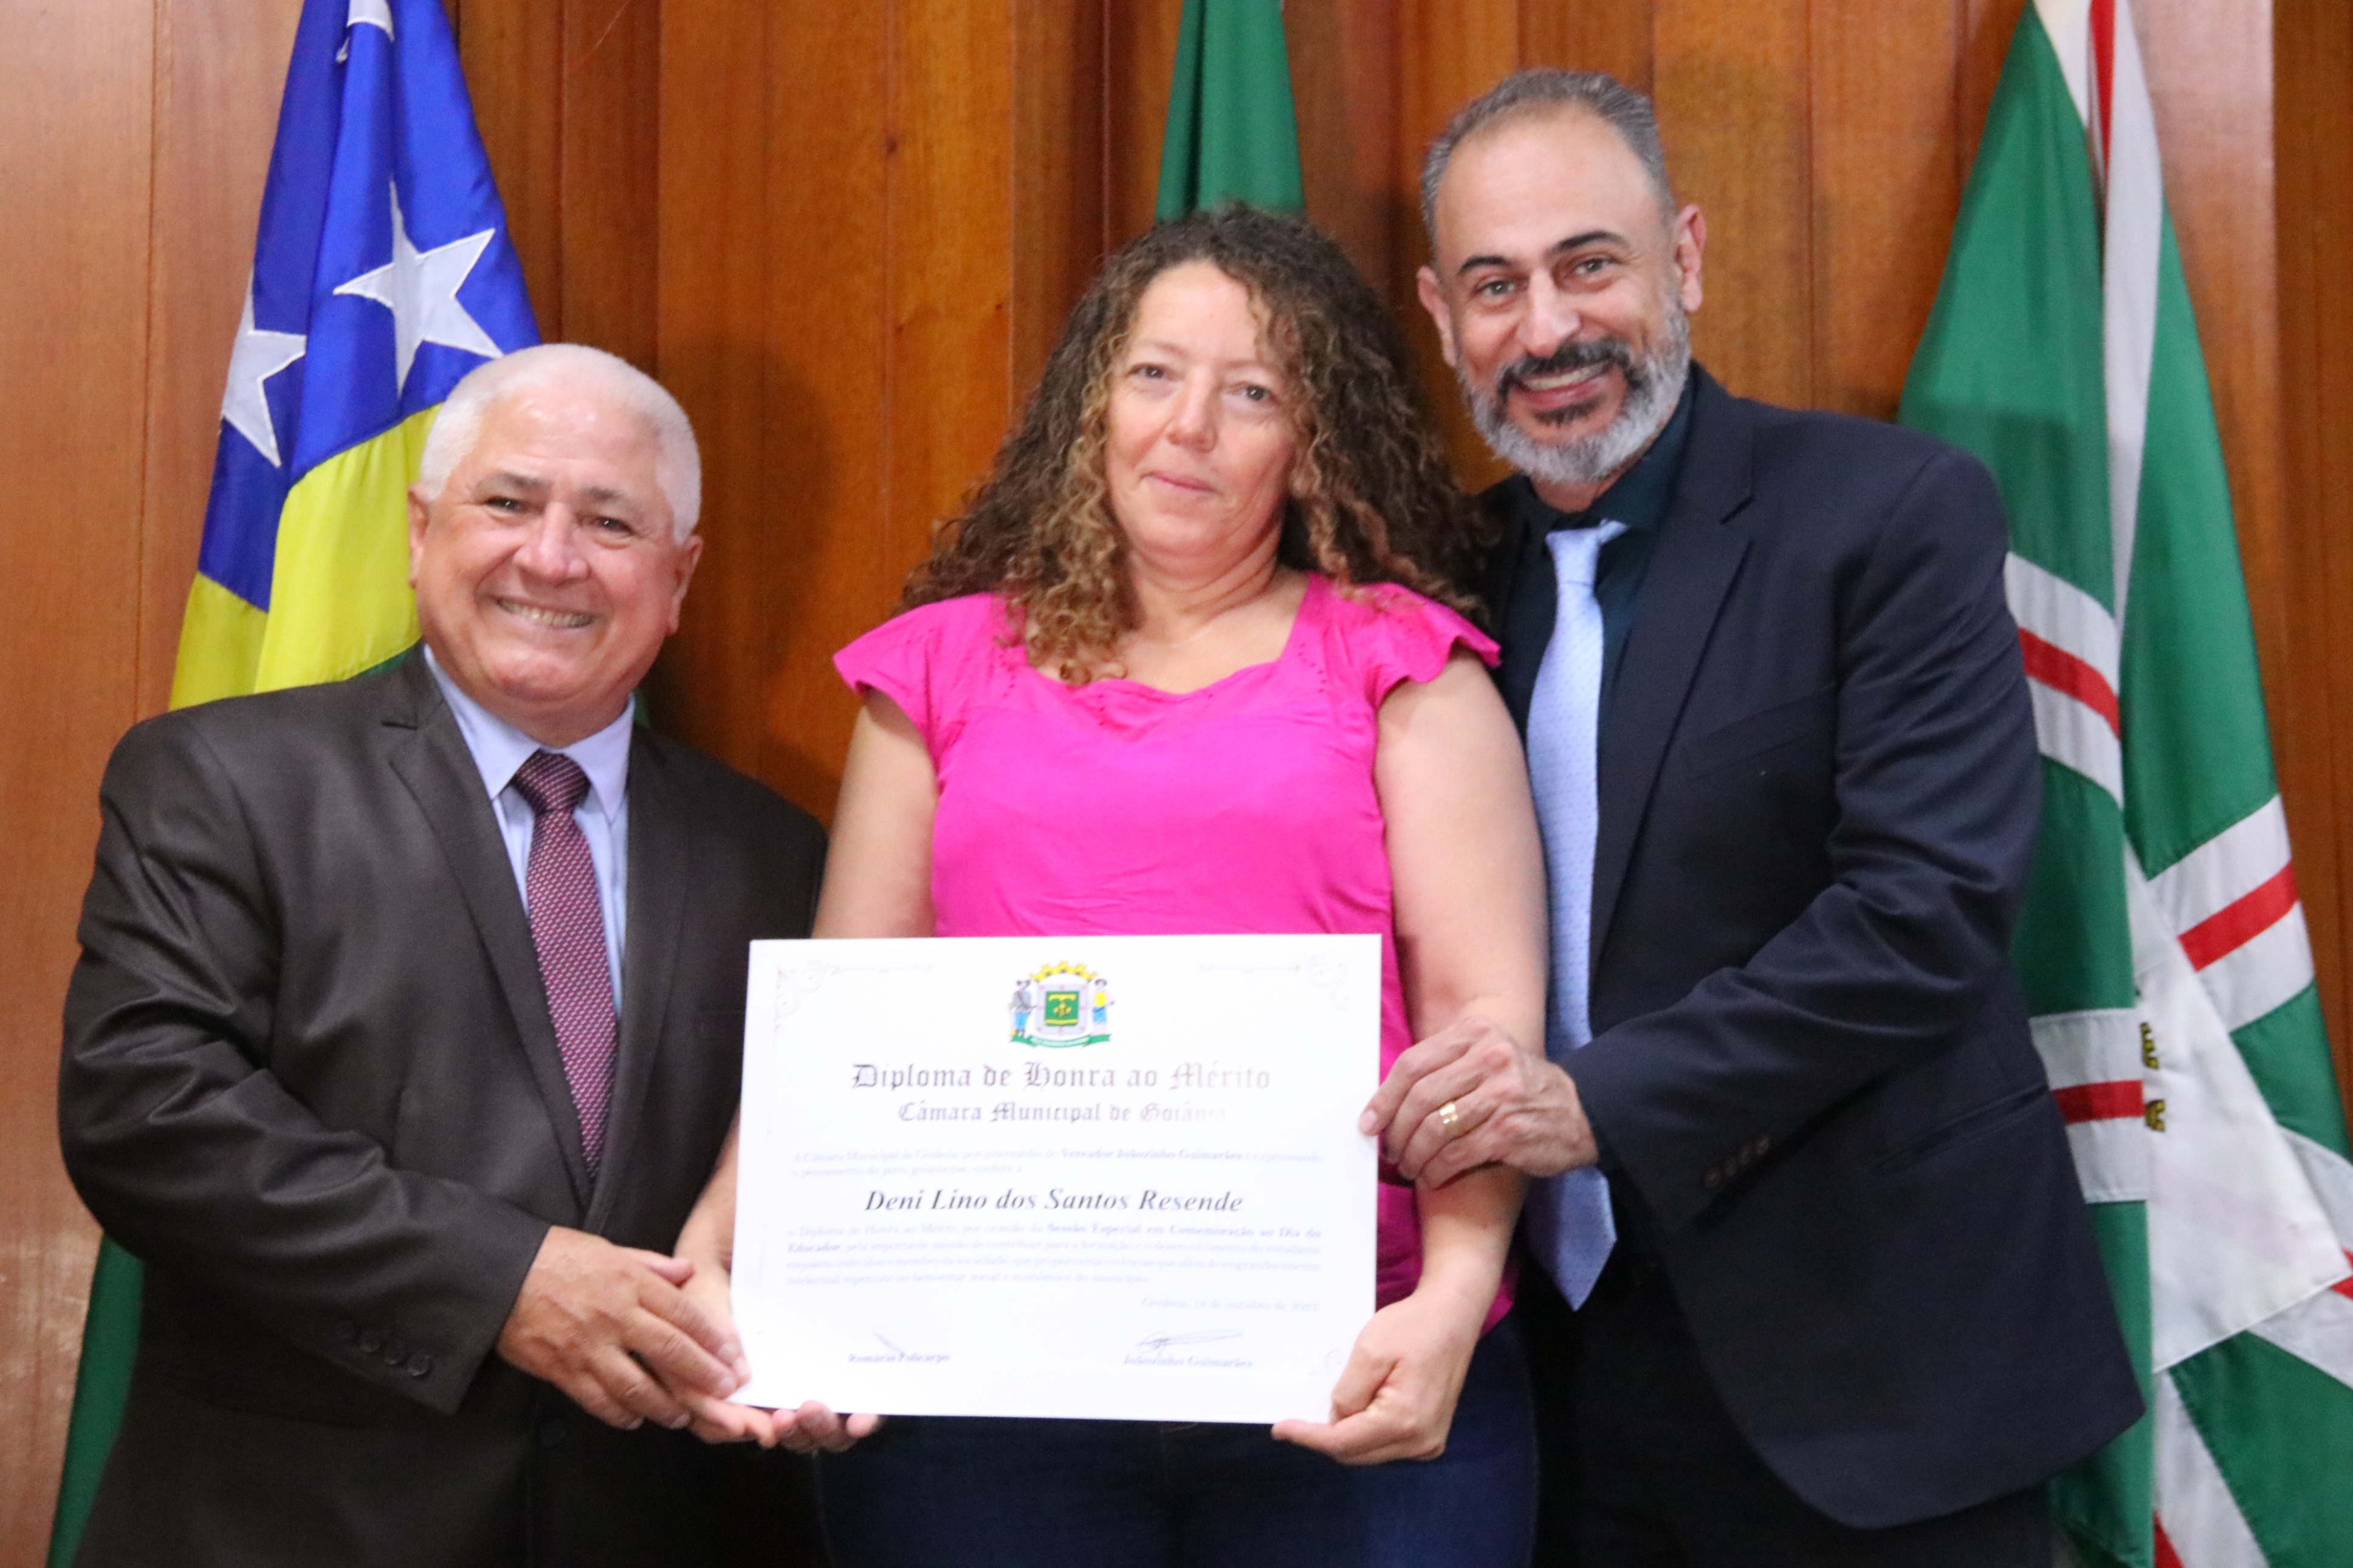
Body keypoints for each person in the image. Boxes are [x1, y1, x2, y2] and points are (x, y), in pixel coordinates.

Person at [673, 207, 1549, 1568]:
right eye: (1153, 374)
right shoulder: (935, 672)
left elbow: (1481, 1028)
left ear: (1313, 442)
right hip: (984, 1392)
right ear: (1093, 402)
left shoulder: (1405, 669)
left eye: (1252, 392)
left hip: (1353, 1366)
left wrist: (1455, 1294)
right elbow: (839, 1032)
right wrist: (731, 1253)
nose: (1188, 426)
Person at [1362, 70, 2145, 1566]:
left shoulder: (1888, 513)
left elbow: (1924, 914)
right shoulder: (1429, 592)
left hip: (1878, 1375)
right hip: (1553, 1391)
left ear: (1687, 259)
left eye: (1590, 264)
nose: (1547, 330)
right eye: (1495, 286)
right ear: (1441, 314)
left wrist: (1596, 1103)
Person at [57, 344, 828, 1567]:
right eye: (508, 501)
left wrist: (825, 1344)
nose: (552, 557)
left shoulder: (780, 854)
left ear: (679, 575)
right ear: (420, 532)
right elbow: (146, 1114)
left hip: (663, 1525)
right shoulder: (221, 779)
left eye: (610, 521)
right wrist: (502, 1279)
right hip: (296, 1527)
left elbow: (810, 1166)